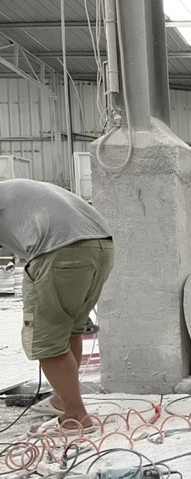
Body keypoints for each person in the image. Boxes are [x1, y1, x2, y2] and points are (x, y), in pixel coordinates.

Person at [0, 178, 113, 431]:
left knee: (46, 341)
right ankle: (64, 400)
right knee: (69, 330)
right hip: (101, 247)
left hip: (61, 251)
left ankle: (76, 417)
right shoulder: (14, 192)